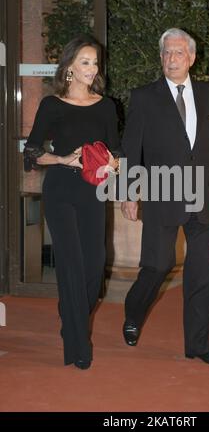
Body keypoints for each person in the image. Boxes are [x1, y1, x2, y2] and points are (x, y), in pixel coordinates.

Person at [121, 28, 209, 365]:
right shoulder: (144, 97)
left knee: (201, 274)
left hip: (202, 195)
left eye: (178, 53)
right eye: (166, 53)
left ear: (191, 58)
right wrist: (129, 193)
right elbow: (132, 150)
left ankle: (199, 345)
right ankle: (133, 312)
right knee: (157, 265)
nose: (171, 59)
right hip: (162, 191)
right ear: (161, 58)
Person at [24, 35, 120, 369]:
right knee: (70, 263)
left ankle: (71, 314)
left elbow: (117, 152)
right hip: (62, 191)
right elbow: (32, 153)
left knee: (95, 265)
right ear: (69, 67)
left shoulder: (107, 106)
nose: (92, 69)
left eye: (95, 63)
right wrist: (64, 159)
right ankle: (78, 344)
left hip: (94, 192)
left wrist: (112, 163)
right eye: (85, 62)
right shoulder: (52, 105)